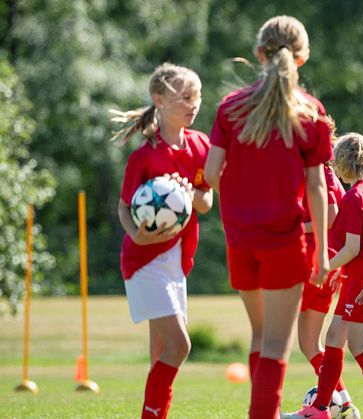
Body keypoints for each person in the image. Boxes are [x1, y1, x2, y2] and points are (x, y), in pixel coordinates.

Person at [203, 15, 331, 419]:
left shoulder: (230, 106)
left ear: (259, 53)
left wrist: (239, 203)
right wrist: (323, 254)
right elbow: (318, 189)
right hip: (284, 242)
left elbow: (210, 175)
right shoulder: (310, 112)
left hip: (240, 240)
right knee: (277, 344)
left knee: (260, 336)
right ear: (302, 58)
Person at [112, 63, 213, 419]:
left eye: (196, 96)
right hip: (143, 261)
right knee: (179, 346)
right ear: (159, 99)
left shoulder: (201, 145)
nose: (193, 103)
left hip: (178, 261)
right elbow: (125, 208)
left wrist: (190, 195)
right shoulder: (145, 155)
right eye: (184, 97)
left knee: (160, 352)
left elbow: (206, 201)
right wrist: (136, 234)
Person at [285, 133, 363, 419]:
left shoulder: (356, 196)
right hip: (361, 273)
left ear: (344, 162)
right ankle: (320, 408)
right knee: (335, 339)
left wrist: (325, 268)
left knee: (358, 344)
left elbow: (351, 248)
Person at [294, 119, 361, 418]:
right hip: (323, 262)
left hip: (317, 262)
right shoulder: (314, 168)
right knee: (309, 343)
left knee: (285, 338)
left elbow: (331, 215)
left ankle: (328, 403)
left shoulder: (320, 170)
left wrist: (292, 229)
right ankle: (344, 402)